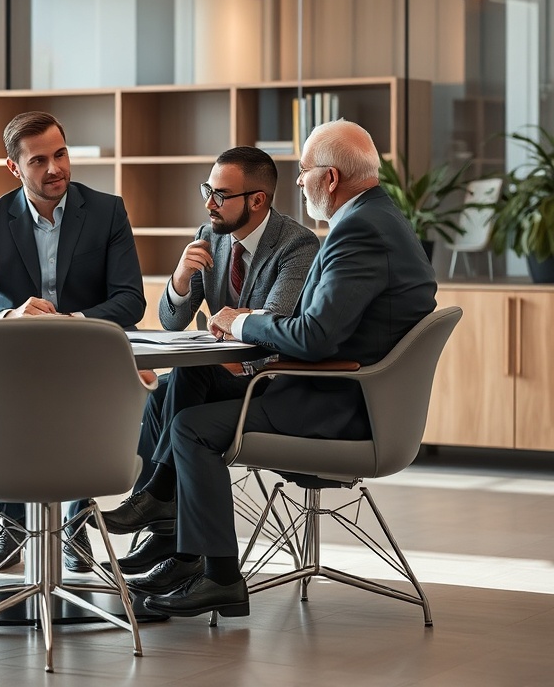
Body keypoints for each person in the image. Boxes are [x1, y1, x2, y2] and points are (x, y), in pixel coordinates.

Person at [136, 119, 438, 619]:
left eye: (303, 171)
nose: (297, 182)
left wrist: (243, 321)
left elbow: (315, 335)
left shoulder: (358, 230)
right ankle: (175, 533)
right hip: (335, 386)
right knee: (185, 383)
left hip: (340, 403)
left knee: (191, 427)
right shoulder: (375, 218)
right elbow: (315, 328)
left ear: (332, 178)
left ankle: (216, 574)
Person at [97, 146, 319, 593]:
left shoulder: (297, 245)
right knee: (164, 391)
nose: (209, 204)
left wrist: (232, 321)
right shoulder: (210, 235)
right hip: (220, 376)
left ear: (257, 200)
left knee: (181, 381)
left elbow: (271, 328)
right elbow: (172, 321)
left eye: (220, 194)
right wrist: (180, 280)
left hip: (266, 383)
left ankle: (165, 515)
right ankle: (168, 528)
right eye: (207, 191)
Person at [0, 110, 146, 573]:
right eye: (39, 161)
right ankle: (14, 525)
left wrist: (74, 321)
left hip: (91, 353)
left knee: (86, 406)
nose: (55, 168)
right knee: (2, 398)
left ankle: (75, 526)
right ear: (14, 168)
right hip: (18, 358)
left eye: (60, 154)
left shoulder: (107, 210)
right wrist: (9, 315)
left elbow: (130, 300)